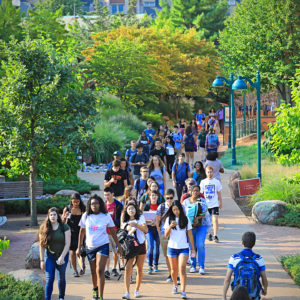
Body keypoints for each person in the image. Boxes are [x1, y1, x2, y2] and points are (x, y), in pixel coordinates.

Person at [77, 194, 122, 300]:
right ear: (89, 205)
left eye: (96, 203)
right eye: (92, 203)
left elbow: (112, 231)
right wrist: (78, 248)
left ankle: (101, 297)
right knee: (93, 271)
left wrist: (118, 246)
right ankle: (95, 290)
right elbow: (81, 232)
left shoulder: (106, 216)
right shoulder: (86, 216)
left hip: (103, 245)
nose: (94, 205)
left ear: (100, 204)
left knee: (100, 270)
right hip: (90, 247)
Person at [163, 200, 196, 300]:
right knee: (173, 270)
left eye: (177, 209)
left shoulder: (186, 219)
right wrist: (170, 226)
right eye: (173, 210)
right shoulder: (169, 219)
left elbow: (190, 235)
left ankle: (183, 291)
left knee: (182, 268)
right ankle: (175, 285)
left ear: (180, 209)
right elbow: (166, 235)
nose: (176, 211)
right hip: (172, 248)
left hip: (184, 248)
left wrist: (193, 249)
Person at [223, 232, 268, 300]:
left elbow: (227, 279)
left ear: (242, 243)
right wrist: (265, 289)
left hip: (238, 295)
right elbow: (264, 278)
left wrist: (224, 297)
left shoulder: (235, 257)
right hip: (254, 295)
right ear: (254, 244)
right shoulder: (259, 258)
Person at [39, 207, 71, 300]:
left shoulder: (64, 226)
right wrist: (41, 260)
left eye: (54, 214)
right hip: (50, 256)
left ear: (58, 216)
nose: (53, 216)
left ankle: (61, 297)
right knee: (49, 279)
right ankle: (47, 298)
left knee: (61, 278)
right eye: (51, 215)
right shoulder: (43, 228)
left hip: (62, 255)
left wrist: (62, 257)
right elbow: (42, 245)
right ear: (48, 216)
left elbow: (67, 244)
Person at [121, 201, 148, 299]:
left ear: (136, 210)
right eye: (129, 209)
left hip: (141, 244)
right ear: (126, 211)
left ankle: (137, 290)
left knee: (139, 269)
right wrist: (130, 227)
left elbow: (146, 230)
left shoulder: (140, 218)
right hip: (129, 247)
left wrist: (136, 225)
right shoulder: (125, 220)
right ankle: (127, 292)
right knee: (128, 269)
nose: (131, 210)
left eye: (133, 208)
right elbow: (124, 230)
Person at [182, 185, 212, 275]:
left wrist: (197, 218)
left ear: (199, 192)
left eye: (197, 191)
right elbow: (182, 214)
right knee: (192, 247)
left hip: (201, 226)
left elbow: (205, 213)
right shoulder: (186, 202)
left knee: (200, 245)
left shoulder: (202, 201)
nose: (195, 192)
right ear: (190, 192)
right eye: (193, 190)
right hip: (190, 227)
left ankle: (201, 266)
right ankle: (193, 265)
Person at [155, 189, 178, 283]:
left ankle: (176, 274)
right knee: (168, 255)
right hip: (164, 233)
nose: (169, 200)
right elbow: (157, 220)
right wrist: (159, 231)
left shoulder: (177, 206)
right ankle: (171, 273)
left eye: (171, 198)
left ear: (174, 197)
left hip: (176, 234)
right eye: (167, 198)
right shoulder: (161, 206)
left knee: (175, 255)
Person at [62, 193, 86, 278]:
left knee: (82, 252)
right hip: (70, 232)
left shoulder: (83, 208)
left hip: (81, 231)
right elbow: (63, 222)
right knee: (72, 252)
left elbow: (86, 221)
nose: (76, 203)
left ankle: (83, 265)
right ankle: (75, 270)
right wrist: (65, 217)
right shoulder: (67, 209)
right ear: (71, 201)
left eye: (77, 201)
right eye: (74, 202)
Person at [103, 187, 124, 279]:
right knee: (107, 251)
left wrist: (115, 222)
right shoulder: (103, 205)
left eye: (108, 195)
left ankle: (114, 268)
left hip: (116, 232)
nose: (106, 197)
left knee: (116, 251)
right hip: (106, 232)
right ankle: (107, 270)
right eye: (105, 195)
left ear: (112, 194)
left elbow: (121, 218)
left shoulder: (118, 205)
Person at [200, 166, 222, 243]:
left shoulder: (216, 182)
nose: (209, 173)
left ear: (213, 172)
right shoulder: (203, 182)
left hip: (214, 204)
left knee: (215, 220)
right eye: (208, 172)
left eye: (211, 172)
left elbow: (219, 193)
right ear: (206, 173)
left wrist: (221, 202)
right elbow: (201, 194)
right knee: (208, 221)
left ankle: (215, 235)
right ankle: (210, 233)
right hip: (206, 204)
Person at [144, 190, 161, 274]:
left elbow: (162, 218)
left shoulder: (160, 206)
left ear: (158, 197)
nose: (154, 197)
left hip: (157, 229)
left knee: (157, 247)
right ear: (149, 197)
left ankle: (156, 264)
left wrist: (157, 222)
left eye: (155, 195)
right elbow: (143, 218)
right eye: (152, 195)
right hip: (149, 229)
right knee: (150, 247)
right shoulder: (147, 206)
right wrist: (150, 222)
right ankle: (150, 266)